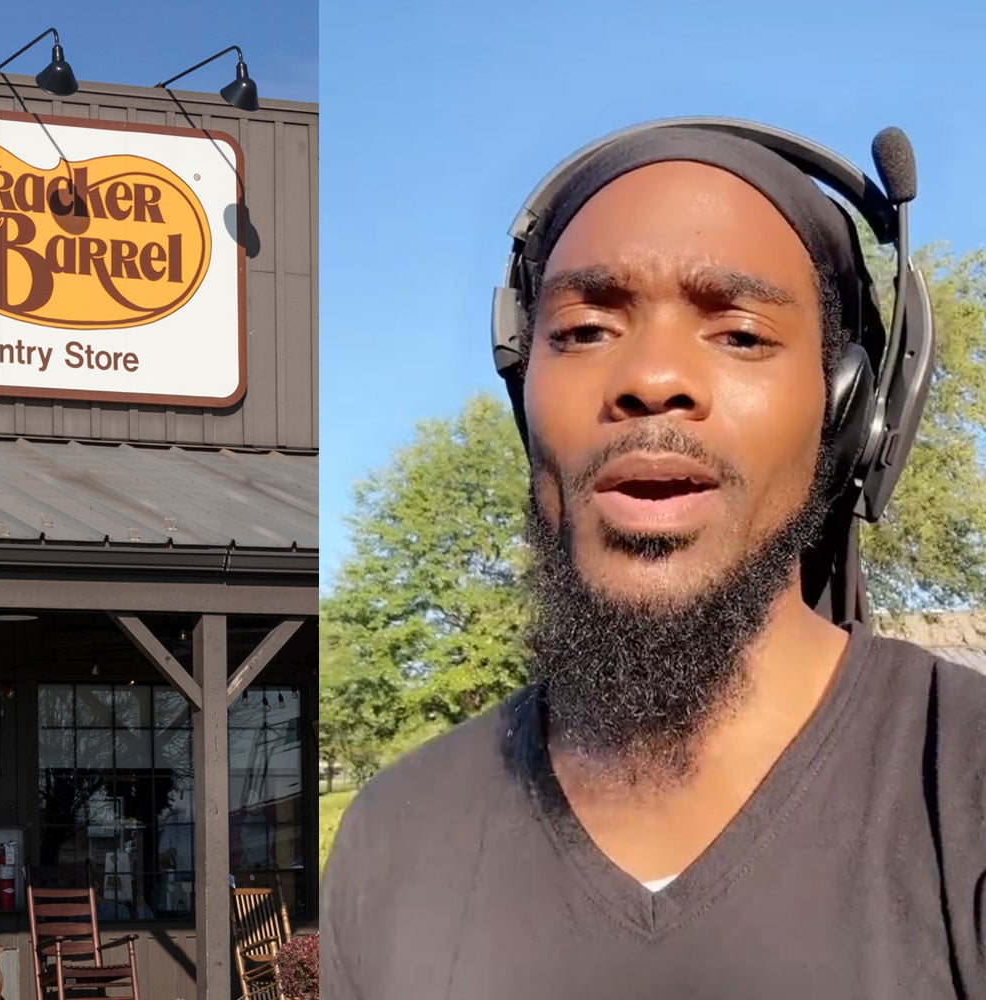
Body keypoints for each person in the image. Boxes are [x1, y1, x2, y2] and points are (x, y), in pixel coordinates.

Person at [317, 124, 986, 998]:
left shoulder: (965, 786)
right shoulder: (391, 840)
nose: (653, 377)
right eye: (585, 329)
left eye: (741, 335)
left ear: (848, 415)